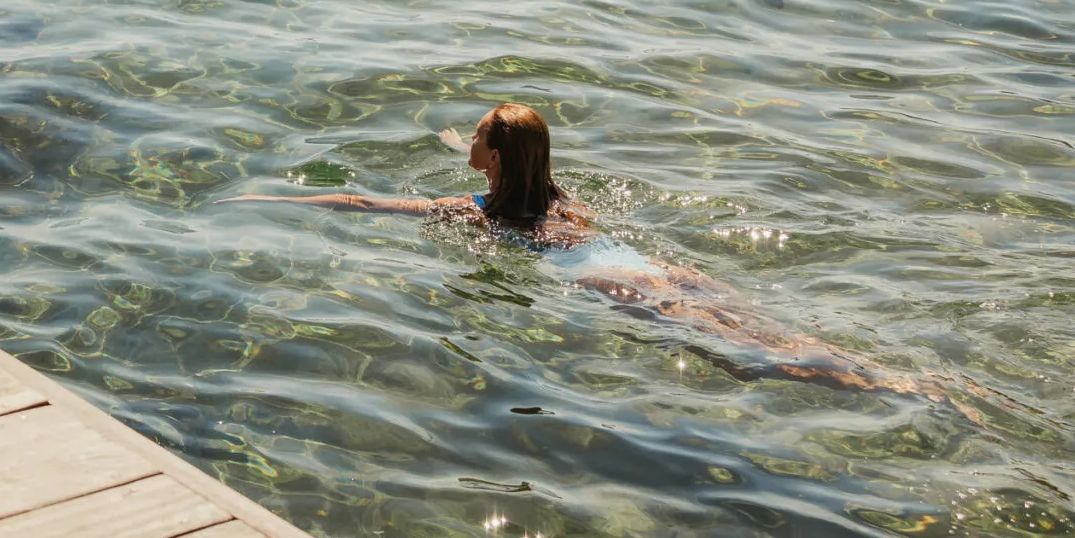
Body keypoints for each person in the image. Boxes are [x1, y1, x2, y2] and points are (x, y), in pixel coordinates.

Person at [221, 103, 977, 413]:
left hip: (609, 284)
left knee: (744, 356)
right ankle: (892, 374)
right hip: (649, 264)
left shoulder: (481, 213)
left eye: (476, 136)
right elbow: (501, 155)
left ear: (491, 162)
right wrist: (465, 145)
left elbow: (365, 206)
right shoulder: (556, 194)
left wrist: (271, 204)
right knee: (755, 326)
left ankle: (896, 390)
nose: (469, 141)